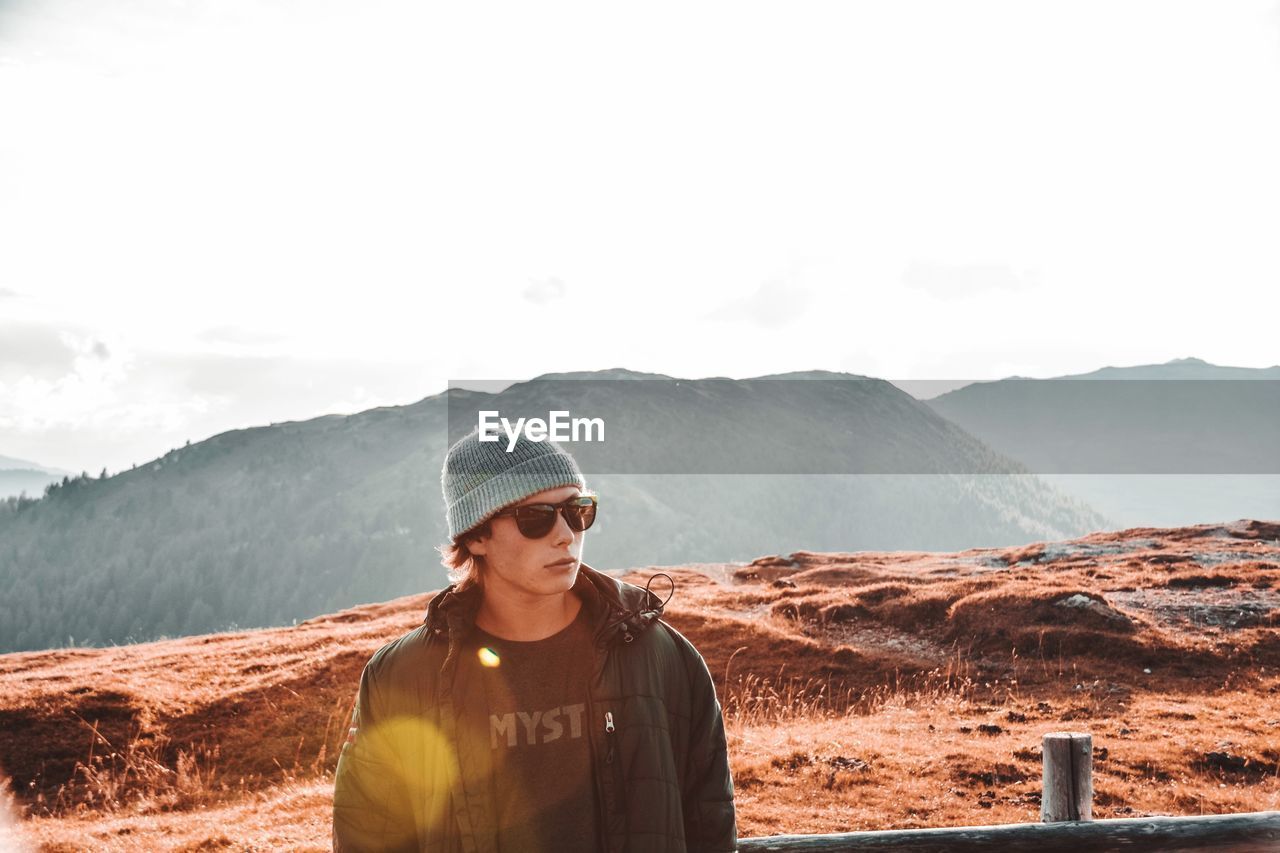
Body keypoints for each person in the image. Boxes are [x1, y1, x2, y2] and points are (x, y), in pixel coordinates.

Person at [332, 427, 737, 852]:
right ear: (476, 536)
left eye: (577, 511)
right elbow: (368, 838)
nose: (565, 534)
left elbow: (710, 826)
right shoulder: (400, 678)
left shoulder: (664, 658)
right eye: (536, 518)